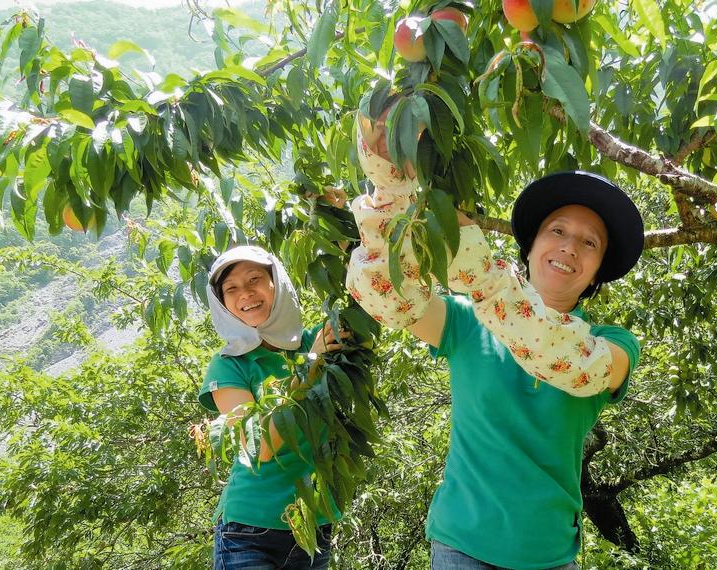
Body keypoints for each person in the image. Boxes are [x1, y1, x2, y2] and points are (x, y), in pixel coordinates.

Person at [346, 117, 644, 569]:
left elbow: (573, 362)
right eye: (557, 231)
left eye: (590, 243)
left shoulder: (611, 344)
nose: (569, 248)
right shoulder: (467, 323)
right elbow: (389, 296)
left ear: (598, 270)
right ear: (531, 246)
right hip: (462, 546)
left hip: (549, 555)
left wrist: (480, 276)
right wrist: (392, 183)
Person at [198, 245, 348, 570]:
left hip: (313, 523)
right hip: (249, 530)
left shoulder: (315, 341)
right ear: (222, 303)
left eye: (254, 279)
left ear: (276, 284)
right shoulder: (228, 367)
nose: (246, 293)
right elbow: (259, 446)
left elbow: (371, 301)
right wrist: (310, 368)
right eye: (231, 288)